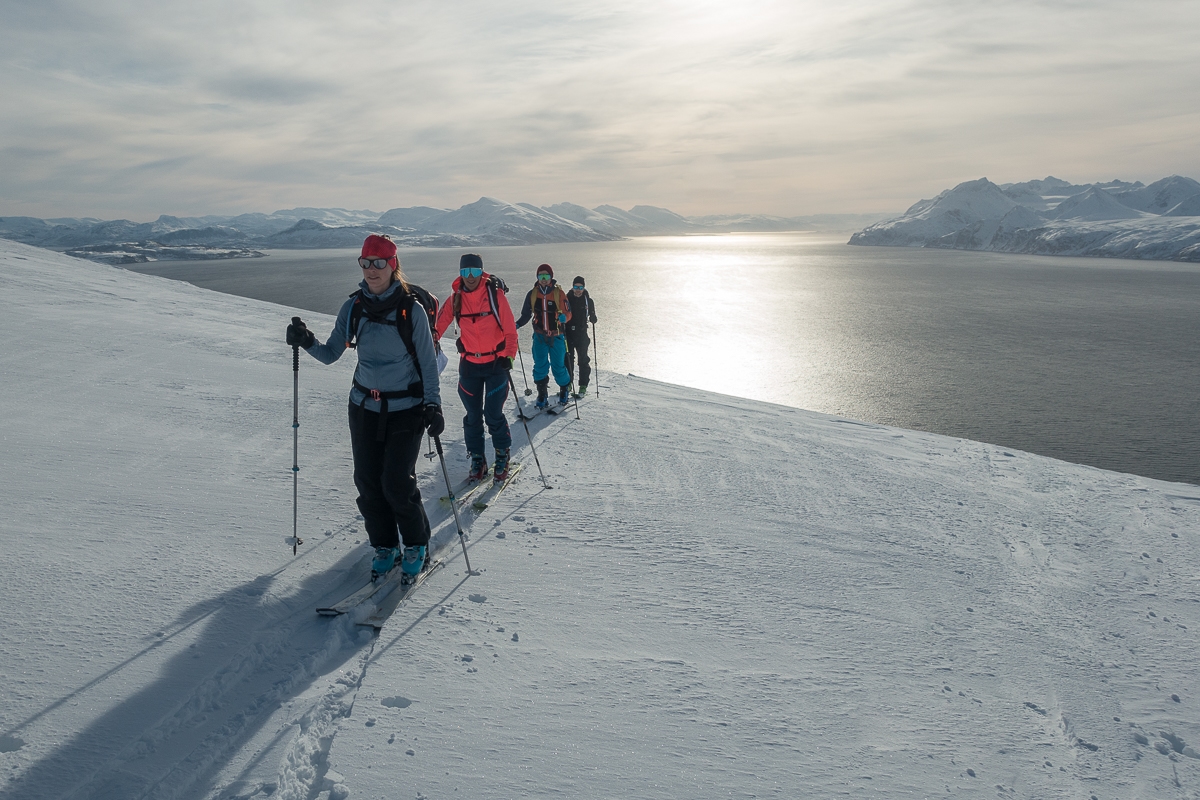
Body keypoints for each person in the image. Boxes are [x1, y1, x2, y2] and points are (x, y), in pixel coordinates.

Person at [285, 234, 442, 580]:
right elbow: (330, 354)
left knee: (397, 483)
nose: (372, 270)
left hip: (407, 408)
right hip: (363, 408)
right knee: (368, 482)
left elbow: (429, 364)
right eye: (366, 263)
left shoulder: (410, 310)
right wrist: (306, 340)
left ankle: (416, 544)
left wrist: (433, 405)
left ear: (393, 265)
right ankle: (384, 546)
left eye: (379, 263)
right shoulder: (354, 308)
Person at [434, 253, 519, 483]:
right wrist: (429, 342)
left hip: (495, 364)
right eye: (465, 272)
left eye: (474, 272)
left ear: (482, 272)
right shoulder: (456, 298)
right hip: (470, 364)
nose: (469, 277)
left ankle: (502, 454)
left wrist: (508, 357)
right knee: (472, 416)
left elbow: (511, 331)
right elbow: (438, 325)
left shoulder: (495, 296)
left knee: (493, 414)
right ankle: (477, 458)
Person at [514, 263, 573, 409]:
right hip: (539, 337)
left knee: (558, 366)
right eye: (541, 276)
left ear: (551, 277)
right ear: (537, 277)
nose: (544, 279)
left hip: (557, 336)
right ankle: (542, 394)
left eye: (546, 276)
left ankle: (564, 389)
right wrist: (517, 325)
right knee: (540, 366)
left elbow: (568, 312)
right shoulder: (532, 294)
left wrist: (565, 317)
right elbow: (526, 314)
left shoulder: (559, 293)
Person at [563, 275, 598, 396]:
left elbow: (592, 315)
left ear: (584, 288)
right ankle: (568, 385)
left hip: (582, 334)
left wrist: (593, 318)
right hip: (568, 334)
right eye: (576, 287)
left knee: (583, 360)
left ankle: (583, 386)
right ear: (572, 287)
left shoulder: (588, 301)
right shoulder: (567, 299)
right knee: (568, 360)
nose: (578, 289)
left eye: (580, 287)